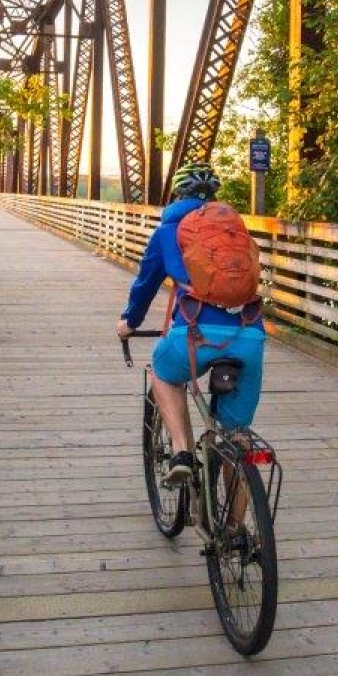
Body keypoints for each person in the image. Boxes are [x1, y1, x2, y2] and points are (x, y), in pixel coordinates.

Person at [116, 162, 267, 486]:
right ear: (215, 196)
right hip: (250, 334)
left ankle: (182, 453)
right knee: (237, 438)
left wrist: (130, 321)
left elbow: (145, 284)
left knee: (163, 372)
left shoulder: (168, 230)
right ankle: (237, 531)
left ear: (177, 194)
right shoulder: (234, 230)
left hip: (194, 335)